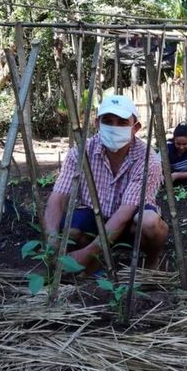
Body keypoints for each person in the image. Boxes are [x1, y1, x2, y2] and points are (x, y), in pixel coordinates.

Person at [44, 95, 168, 272]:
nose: (114, 128)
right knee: (69, 231)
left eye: (122, 122)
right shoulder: (81, 152)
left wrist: (86, 254)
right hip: (96, 217)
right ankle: (92, 261)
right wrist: (52, 238)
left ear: (136, 127)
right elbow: (58, 196)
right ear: (97, 124)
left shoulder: (148, 159)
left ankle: (152, 260)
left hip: (131, 223)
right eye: (108, 121)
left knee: (149, 222)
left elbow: (125, 212)